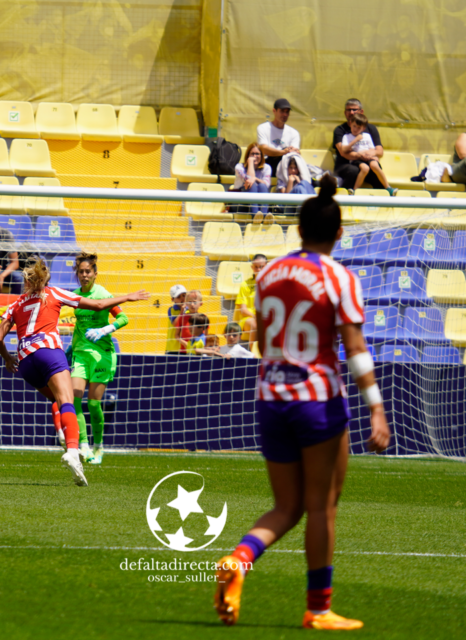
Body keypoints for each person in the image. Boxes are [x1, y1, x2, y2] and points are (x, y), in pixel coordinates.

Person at [213, 174, 391, 631]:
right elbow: (353, 348)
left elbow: (264, 338)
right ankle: (318, 608)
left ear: (297, 231)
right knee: (321, 505)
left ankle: (239, 557)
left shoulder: (269, 273)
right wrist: (376, 407)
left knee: (286, 506)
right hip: (317, 400)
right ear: (339, 232)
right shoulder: (338, 276)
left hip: (271, 395)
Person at [0, 258, 149, 487]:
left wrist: (8, 358)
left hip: (25, 361)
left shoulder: (15, 304)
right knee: (68, 401)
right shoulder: (54, 293)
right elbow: (97, 305)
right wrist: (128, 297)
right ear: (45, 279)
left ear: (26, 282)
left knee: (57, 400)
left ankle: (61, 432)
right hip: (48, 352)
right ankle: (73, 451)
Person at [69, 252, 132, 464]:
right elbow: (79, 327)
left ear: (96, 274)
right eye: (81, 272)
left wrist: (106, 329)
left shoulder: (102, 294)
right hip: (81, 355)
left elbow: (123, 317)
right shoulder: (75, 296)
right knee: (74, 401)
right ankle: (84, 446)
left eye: (88, 271)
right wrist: (70, 349)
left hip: (102, 355)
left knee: (94, 404)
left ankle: (99, 447)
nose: (84, 275)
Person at [332, 99, 386, 191]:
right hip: (345, 164)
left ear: (361, 112)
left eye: (354, 109)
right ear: (345, 113)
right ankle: (347, 198)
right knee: (353, 170)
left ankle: (382, 196)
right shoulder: (340, 130)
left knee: (375, 167)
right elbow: (343, 153)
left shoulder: (371, 129)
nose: (351, 112)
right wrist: (362, 155)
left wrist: (367, 155)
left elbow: (379, 152)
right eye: (349, 110)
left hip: (367, 162)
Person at [256, 98, 301, 174]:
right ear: (274, 111)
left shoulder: (294, 133)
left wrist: (290, 152)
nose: (285, 114)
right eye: (282, 111)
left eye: (287, 112)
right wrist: (283, 152)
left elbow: (295, 152)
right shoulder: (263, 128)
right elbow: (264, 149)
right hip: (268, 164)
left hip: (286, 166)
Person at [231, 144, 272, 223]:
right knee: (252, 185)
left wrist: (255, 178)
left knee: (262, 185)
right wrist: (250, 163)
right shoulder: (239, 167)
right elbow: (248, 180)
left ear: (262, 156)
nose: (255, 156)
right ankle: (255, 215)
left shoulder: (267, 167)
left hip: (259, 200)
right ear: (248, 155)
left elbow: (267, 184)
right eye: (252, 154)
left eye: (257, 154)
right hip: (241, 202)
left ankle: (263, 215)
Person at [236, 254, 266, 343]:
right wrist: (256, 317)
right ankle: (254, 355)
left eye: (261, 267)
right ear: (252, 267)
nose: (259, 270)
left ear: (266, 266)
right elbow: (243, 310)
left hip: (265, 318)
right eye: (256, 267)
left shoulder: (271, 283)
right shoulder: (245, 285)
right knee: (255, 324)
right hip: (248, 318)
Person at [165, 284, 187, 353]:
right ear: (172, 299)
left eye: (184, 295)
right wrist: (181, 312)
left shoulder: (190, 310)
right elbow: (175, 323)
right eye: (178, 296)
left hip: (185, 347)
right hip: (173, 348)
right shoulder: (171, 310)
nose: (182, 298)